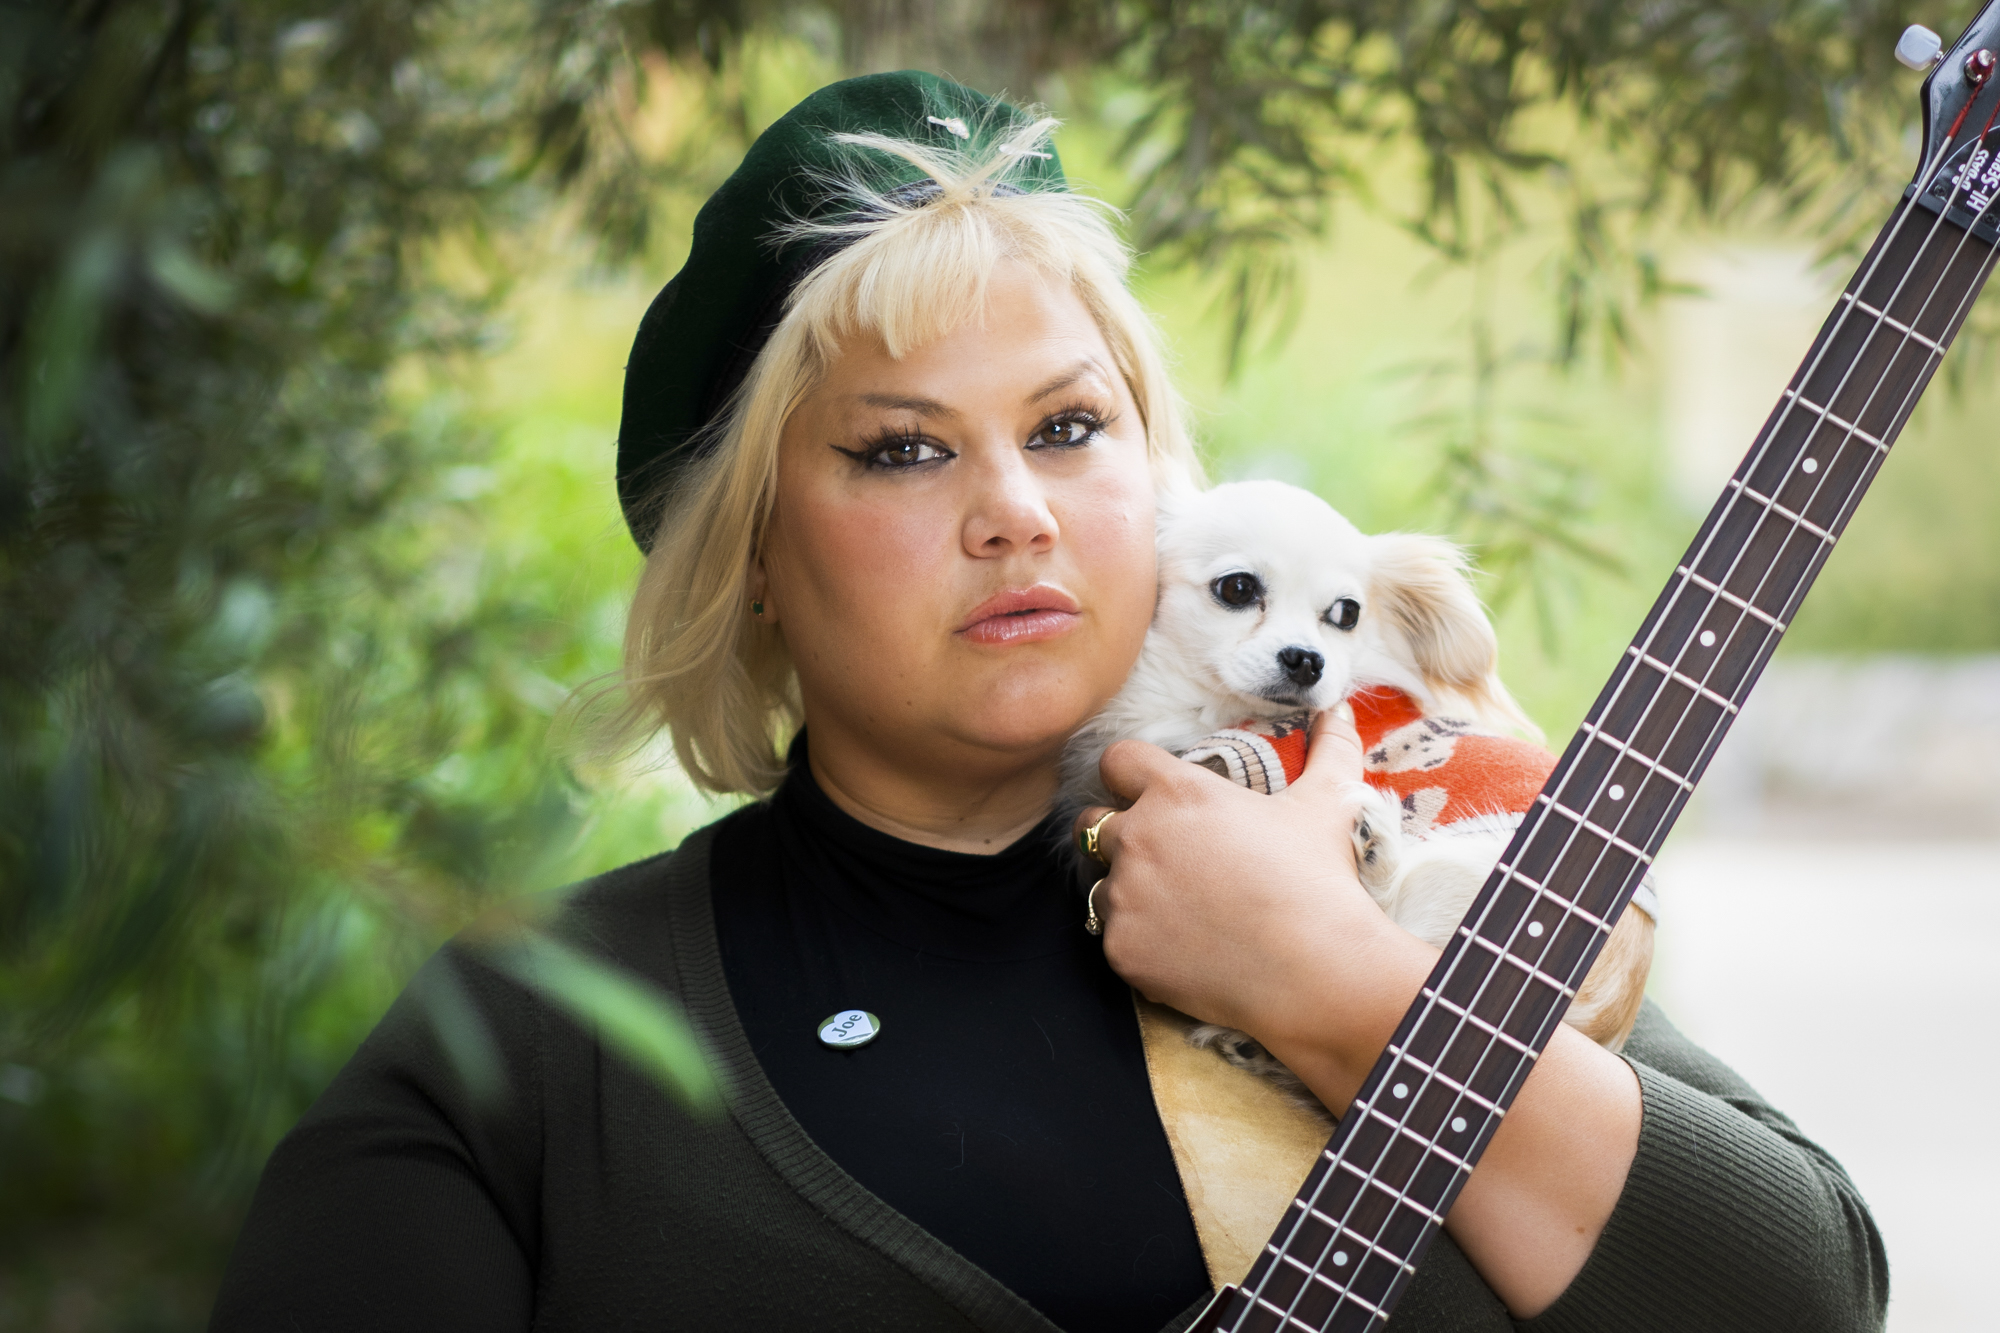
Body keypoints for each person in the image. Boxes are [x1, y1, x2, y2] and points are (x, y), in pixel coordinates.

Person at [209, 72, 1888, 1332]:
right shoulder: (528, 1040)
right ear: (758, 563)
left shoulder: (1381, 857)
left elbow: (1801, 1294)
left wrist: (1339, 983)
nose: (1012, 505)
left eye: (1070, 427)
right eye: (901, 447)